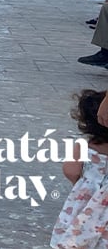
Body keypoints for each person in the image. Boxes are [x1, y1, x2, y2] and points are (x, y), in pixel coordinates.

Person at [51, 89, 108, 248]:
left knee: (78, 232)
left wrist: (85, 182)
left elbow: (71, 170)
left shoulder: (84, 146)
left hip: (87, 198)